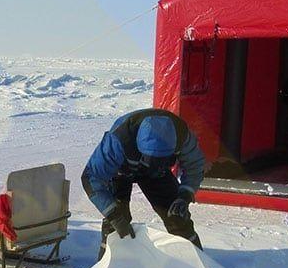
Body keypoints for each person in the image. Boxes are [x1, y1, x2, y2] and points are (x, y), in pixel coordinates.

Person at [82, 108, 206, 257]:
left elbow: (195, 166)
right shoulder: (119, 139)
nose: (153, 163)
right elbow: (91, 177)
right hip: (120, 171)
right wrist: (113, 214)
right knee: (117, 223)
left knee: (177, 216)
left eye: (160, 160)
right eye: (151, 160)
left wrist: (185, 195)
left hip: (158, 174)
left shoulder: (181, 135)